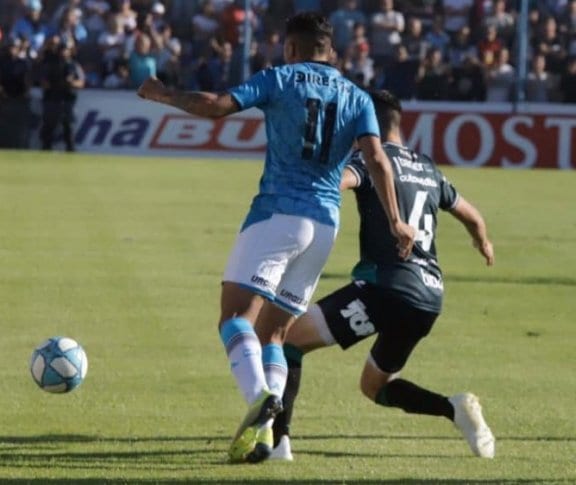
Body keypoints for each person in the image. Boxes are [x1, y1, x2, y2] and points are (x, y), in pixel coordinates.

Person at [137, 12, 414, 464]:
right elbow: (378, 161)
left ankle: (262, 398)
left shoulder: (280, 78)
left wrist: (163, 93)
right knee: (275, 334)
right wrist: (397, 221)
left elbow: (217, 105)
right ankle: (266, 438)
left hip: (278, 215)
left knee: (235, 318)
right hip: (324, 226)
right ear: (330, 50)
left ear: (290, 48)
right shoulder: (357, 96)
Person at [266, 89, 496, 461]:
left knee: (288, 340)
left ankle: (278, 444)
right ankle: (454, 408)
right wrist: (482, 243)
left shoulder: (369, 159)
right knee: (374, 386)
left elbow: (338, 181)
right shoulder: (427, 166)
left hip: (386, 289)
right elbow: (472, 216)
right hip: (428, 299)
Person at [40, 39, 83, 152]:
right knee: (49, 124)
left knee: (68, 125)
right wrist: (54, 83)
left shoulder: (74, 65)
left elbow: (81, 82)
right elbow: (44, 82)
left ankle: (70, 148)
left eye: (66, 50)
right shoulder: (50, 64)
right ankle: (46, 148)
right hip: (52, 98)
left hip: (67, 99)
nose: (63, 52)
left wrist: (70, 83)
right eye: (62, 49)